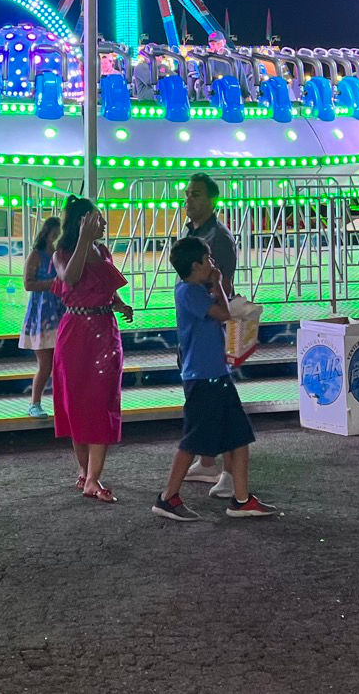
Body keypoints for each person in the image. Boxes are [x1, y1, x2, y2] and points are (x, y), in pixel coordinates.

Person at [152, 239, 278, 522]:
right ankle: (167, 497)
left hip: (215, 374)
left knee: (239, 435)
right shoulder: (188, 292)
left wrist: (218, 284)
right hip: (203, 377)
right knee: (193, 440)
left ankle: (242, 499)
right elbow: (224, 313)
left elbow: (222, 308)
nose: (212, 263)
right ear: (196, 265)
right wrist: (220, 283)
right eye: (208, 259)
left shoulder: (196, 289)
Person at [53, 196, 134, 503]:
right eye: (97, 219)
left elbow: (105, 289)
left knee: (102, 402)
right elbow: (71, 278)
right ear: (82, 222)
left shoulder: (103, 250)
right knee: (76, 404)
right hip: (75, 335)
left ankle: (93, 477)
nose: (103, 224)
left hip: (104, 333)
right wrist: (84, 241)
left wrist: (120, 304)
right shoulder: (62, 253)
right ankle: (85, 472)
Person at [181, 172, 240, 499]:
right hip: (195, 329)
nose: (189, 199)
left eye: (197, 195)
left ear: (212, 200)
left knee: (222, 405)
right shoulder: (193, 233)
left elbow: (224, 286)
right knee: (202, 402)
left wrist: (205, 294)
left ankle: (229, 471)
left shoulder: (217, 237)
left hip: (211, 331)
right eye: (188, 194)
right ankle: (207, 461)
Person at [19, 216, 64, 416]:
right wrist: (52, 284)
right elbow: (28, 284)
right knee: (45, 364)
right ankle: (35, 403)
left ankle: (62, 403)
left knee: (61, 364)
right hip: (42, 314)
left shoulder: (60, 255)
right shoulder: (36, 256)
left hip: (60, 313)